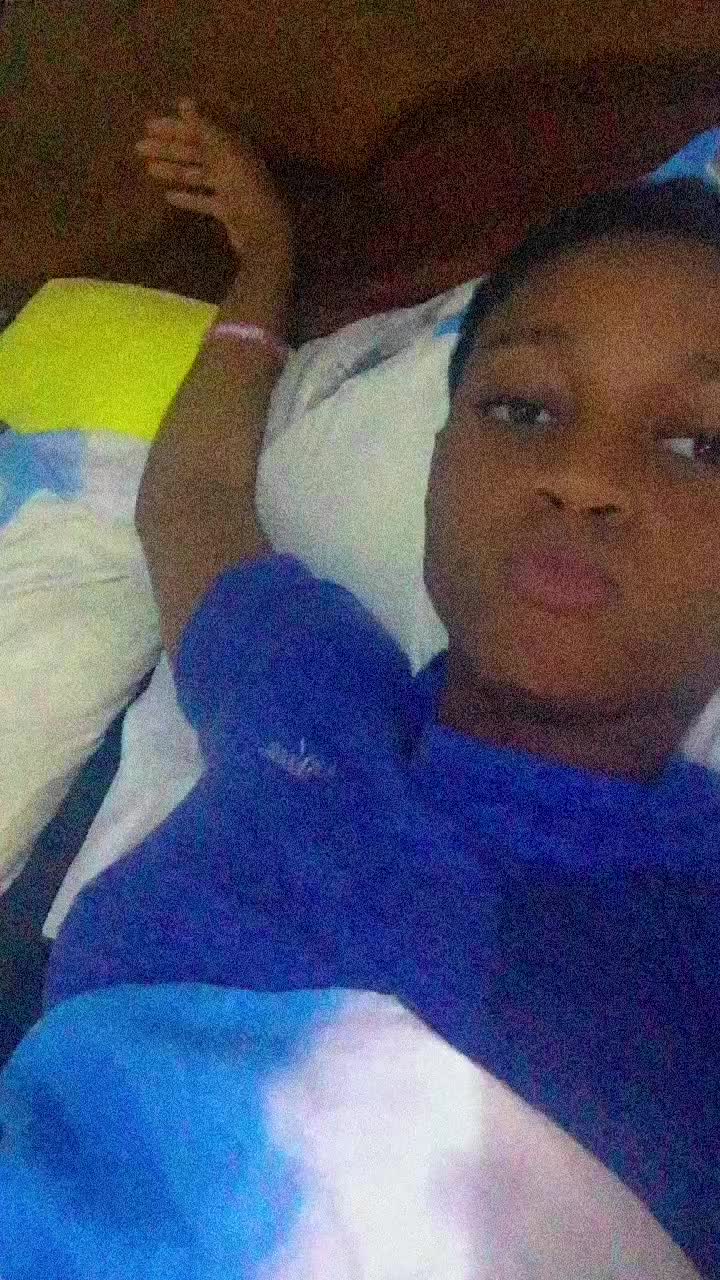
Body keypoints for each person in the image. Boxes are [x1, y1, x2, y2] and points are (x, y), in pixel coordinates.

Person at [0, 98, 717, 1279]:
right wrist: (266, 267)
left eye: (698, 442)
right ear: (440, 464)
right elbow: (191, 504)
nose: (582, 474)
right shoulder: (312, 686)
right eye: (523, 408)